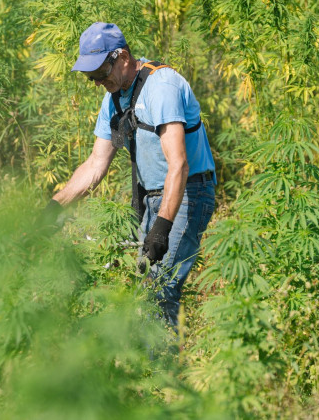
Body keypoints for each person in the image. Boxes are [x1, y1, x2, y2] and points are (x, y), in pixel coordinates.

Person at [43, 22, 216, 329]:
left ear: (121, 57)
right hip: (151, 197)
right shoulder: (114, 96)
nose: (97, 82)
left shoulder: (161, 86)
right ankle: (146, 371)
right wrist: (53, 207)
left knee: (158, 292)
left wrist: (161, 228)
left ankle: (161, 375)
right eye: (90, 77)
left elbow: (179, 165)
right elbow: (96, 164)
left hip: (189, 193)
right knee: (138, 289)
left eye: (100, 73)